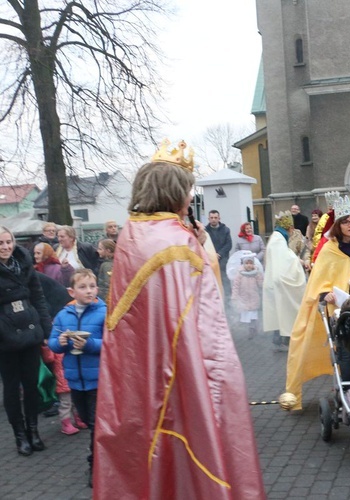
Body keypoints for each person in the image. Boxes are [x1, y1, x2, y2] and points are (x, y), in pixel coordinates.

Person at [92, 140, 265, 498]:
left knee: (149, 458)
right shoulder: (176, 243)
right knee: (191, 451)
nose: (190, 198)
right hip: (180, 377)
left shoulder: (131, 233)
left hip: (137, 374)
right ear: (176, 192)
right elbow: (206, 322)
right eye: (187, 189)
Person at [279, 194, 350, 411]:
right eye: (346, 222)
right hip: (339, 309)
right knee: (348, 348)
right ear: (338, 225)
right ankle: (349, 391)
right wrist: (325, 294)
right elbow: (318, 281)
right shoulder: (329, 249)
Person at [48, 268, 105, 486]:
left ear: (97, 289)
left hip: (97, 379)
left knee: (95, 425)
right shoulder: (63, 315)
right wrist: (59, 343)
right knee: (88, 422)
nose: (88, 291)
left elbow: (113, 343)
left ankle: (95, 465)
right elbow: (53, 341)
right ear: (72, 292)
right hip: (75, 380)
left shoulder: (104, 312)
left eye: (91, 286)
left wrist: (90, 344)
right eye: (83, 287)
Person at [0, 226, 52, 456]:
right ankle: (20, 435)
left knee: (32, 384)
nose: (6, 247)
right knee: (11, 388)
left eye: (8, 242)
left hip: (30, 331)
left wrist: (45, 328)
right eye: (0, 243)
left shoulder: (23, 261)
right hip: (5, 338)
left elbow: (38, 295)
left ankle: (33, 430)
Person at [263, 211, 307, 351]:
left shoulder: (277, 237)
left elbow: (286, 256)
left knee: (280, 312)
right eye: (292, 228)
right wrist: (300, 261)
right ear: (289, 228)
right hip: (279, 283)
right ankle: (283, 342)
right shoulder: (277, 239)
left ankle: (281, 341)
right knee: (284, 312)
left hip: (275, 282)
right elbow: (287, 260)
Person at [231, 255, 264, 337]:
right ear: (243, 264)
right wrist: (234, 297)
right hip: (244, 298)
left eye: (251, 263)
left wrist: (259, 276)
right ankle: (247, 328)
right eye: (247, 263)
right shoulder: (240, 274)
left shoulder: (256, 273)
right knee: (246, 315)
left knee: (253, 314)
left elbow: (261, 284)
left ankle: (253, 329)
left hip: (254, 297)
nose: (249, 265)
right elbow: (236, 286)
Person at [205, 210, 232, 295]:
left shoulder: (225, 230)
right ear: (208, 219)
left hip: (223, 261)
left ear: (219, 218)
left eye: (215, 218)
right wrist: (212, 255)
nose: (213, 219)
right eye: (211, 218)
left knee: (225, 282)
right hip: (210, 262)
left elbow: (228, 244)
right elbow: (202, 245)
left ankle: (227, 303)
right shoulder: (204, 231)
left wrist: (219, 254)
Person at [96, 239, 115, 303]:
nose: (97, 251)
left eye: (100, 249)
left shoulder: (106, 265)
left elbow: (108, 285)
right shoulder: (115, 262)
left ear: (108, 251)